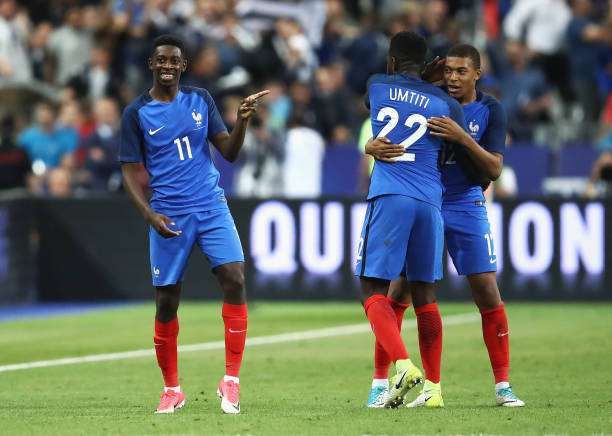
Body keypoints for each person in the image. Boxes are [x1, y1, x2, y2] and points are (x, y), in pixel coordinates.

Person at [366, 44, 525, 408]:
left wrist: (462, 137)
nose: (453, 78)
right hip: (428, 202)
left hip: (466, 202)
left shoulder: (490, 110)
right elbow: (397, 138)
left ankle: (503, 385)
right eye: (449, 70)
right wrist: (370, 147)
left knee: (486, 289)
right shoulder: (429, 100)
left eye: (461, 72)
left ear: (476, 75)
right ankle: (381, 382)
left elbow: (494, 169)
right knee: (399, 293)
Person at [118, 34, 268, 415]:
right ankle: (172, 389)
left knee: (234, 277)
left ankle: (231, 381)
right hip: (169, 212)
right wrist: (149, 215)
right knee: (166, 301)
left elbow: (229, 153)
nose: (168, 66)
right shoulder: (137, 113)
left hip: (211, 205)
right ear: (152, 65)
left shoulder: (201, 100)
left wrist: (243, 122)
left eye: (174, 61)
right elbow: (128, 172)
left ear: (184, 66)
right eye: (161, 60)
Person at [355, 31, 465, 409]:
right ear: (431, 65)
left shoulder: (377, 83)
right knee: (425, 295)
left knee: (372, 289)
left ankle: (401, 366)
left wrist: (371, 145)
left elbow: (375, 105)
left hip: (391, 195)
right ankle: (433, 390)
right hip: (430, 202)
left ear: (390, 61)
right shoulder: (446, 103)